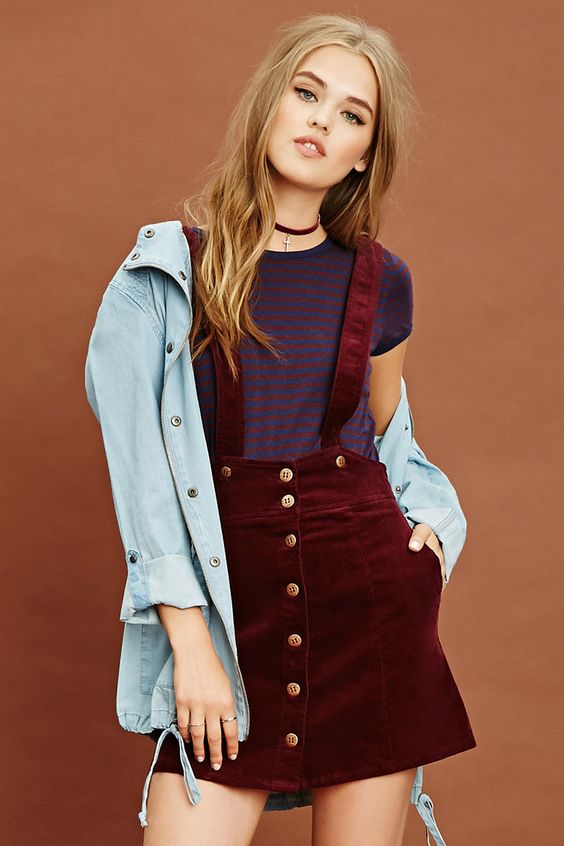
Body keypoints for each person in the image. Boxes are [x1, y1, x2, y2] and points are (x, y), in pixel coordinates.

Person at [84, 12, 476, 846]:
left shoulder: (382, 281)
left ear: (363, 153)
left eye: (351, 114)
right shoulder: (163, 276)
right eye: (307, 94)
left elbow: (387, 442)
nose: (321, 120)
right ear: (271, 101)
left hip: (367, 621)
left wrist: (437, 527)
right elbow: (143, 479)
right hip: (231, 626)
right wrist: (191, 644)